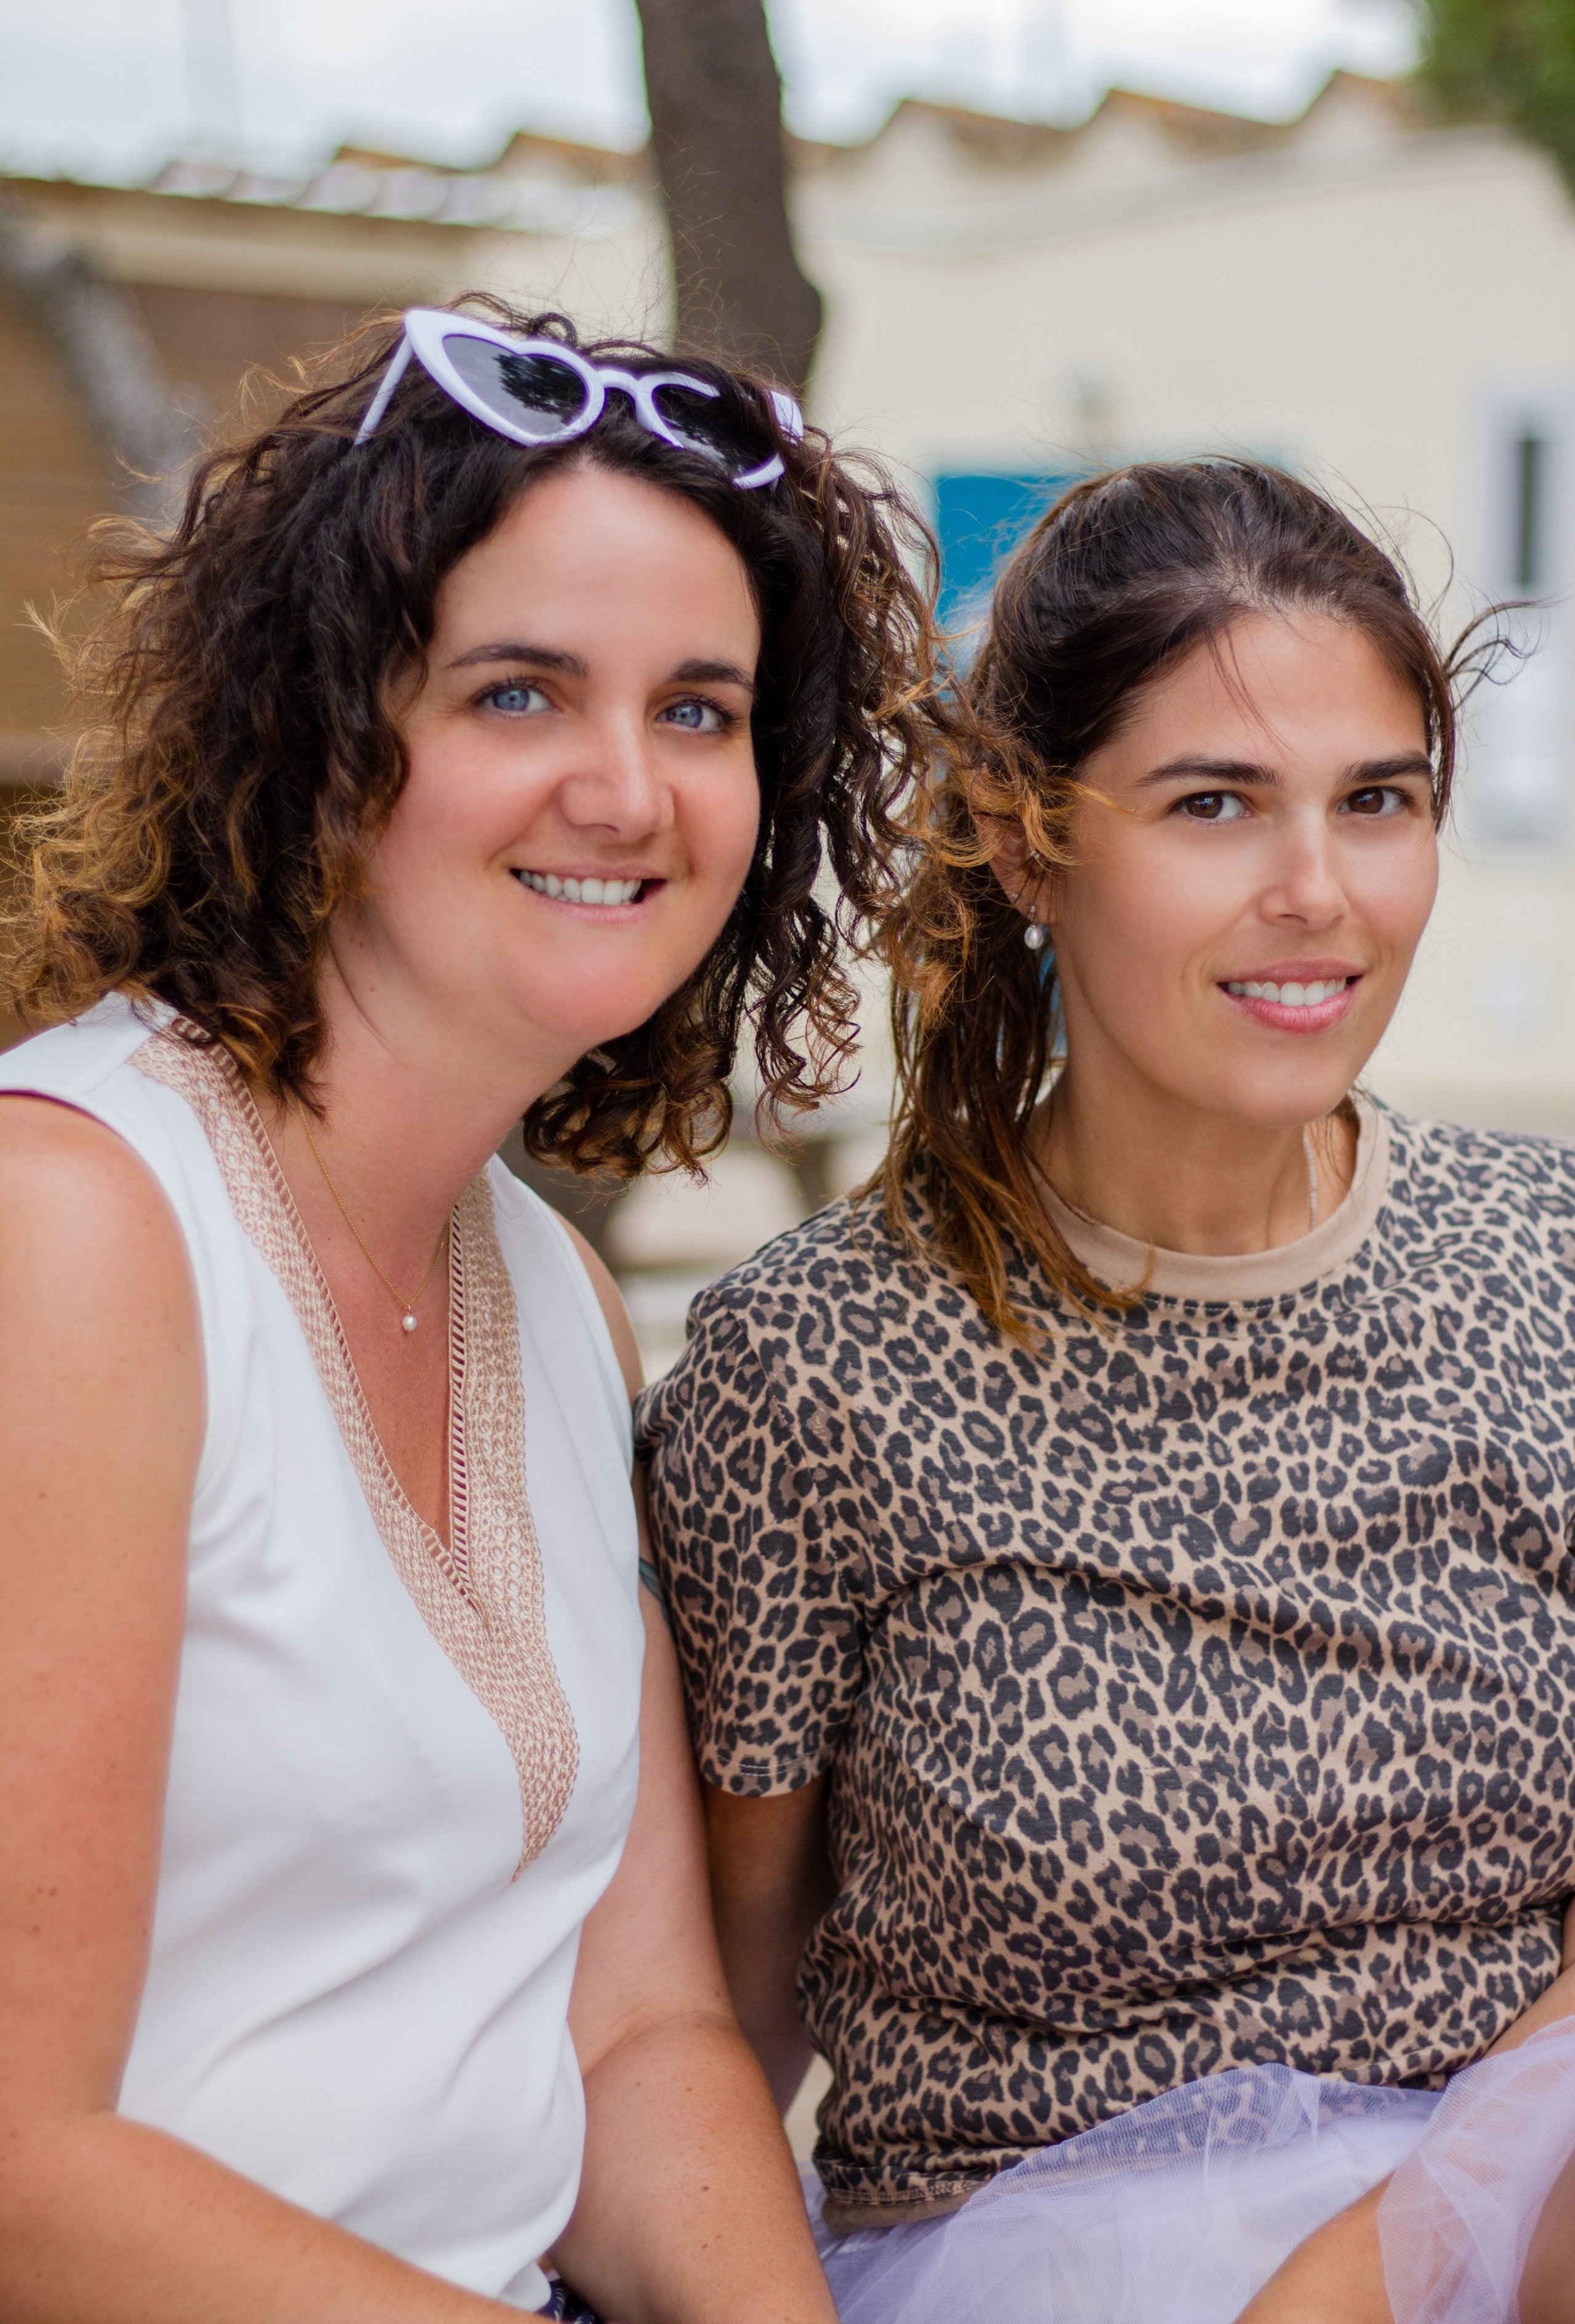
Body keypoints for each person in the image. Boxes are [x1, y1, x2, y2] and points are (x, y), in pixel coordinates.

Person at [0, 300, 944, 2324]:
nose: (627, 787)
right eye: (521, 694)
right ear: (323, 730)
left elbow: (633, 2037)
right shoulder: (73, 1233)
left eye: (699, 711)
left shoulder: (551, 1296)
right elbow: (20, 2170)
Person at [637, 460, 1575, 2323]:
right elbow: (708, 2020)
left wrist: (1386, 2264)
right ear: (1028, 840)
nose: (1319, 894)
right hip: (1033, 2258)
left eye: (1377, 802)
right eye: (1215, 805)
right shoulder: (809, 1370)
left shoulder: (1551, 1265)